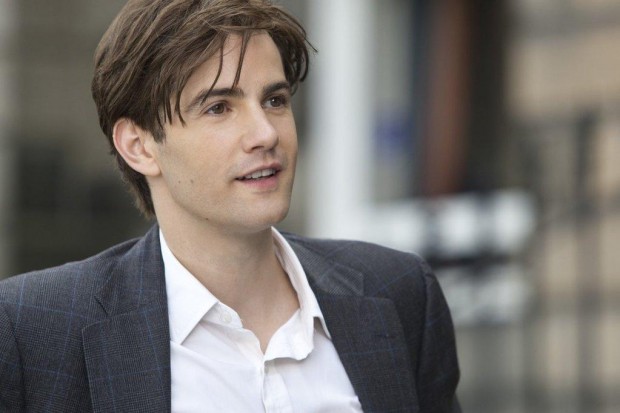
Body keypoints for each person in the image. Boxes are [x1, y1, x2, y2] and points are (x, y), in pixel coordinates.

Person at [0, 0, 461, 411]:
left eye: (275, 100)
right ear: (139, 146)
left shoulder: (398, 293)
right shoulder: (35, 330)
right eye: (219, 107)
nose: (266, 133)